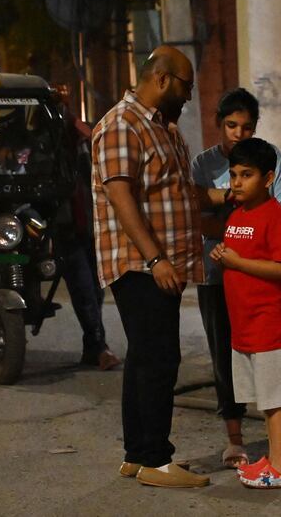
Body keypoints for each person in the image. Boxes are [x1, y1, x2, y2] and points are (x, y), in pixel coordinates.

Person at [92, 45, 228, 488]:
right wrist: (156, 259)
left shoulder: (164, 130)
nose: (190, 95)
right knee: (159, 357)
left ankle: (137, 455)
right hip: (141, 264)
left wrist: (230, 198)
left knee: (146, 357)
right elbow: (121, 197)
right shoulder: (121, 125)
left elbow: (180, 193)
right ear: (164, 79)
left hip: (164, 263)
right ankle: (155, 458)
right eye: (187, 85)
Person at [191, 88, 281, 468]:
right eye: (231, 125)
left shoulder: (271, 173)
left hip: (265, 303)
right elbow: (195, 217)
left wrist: (236, 252)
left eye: (246, 126)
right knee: (230, 362)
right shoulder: (204, 165)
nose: (238, 133)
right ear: (218, 124)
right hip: (225, 289)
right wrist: (222, 209)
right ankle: (246, 442)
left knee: (276, 385)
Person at [209, 138, 281, 489]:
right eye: (233, 174)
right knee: (266, 399)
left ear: (267, 178)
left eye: (246, 175)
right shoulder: (237, 215)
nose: (236, 182)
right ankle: (275, 457)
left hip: (271, 324)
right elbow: (241, 256)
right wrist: (225, 254)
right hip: (245, 325)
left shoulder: (277, 217)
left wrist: (236, 262)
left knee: (278, 398)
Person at [53, 87, 120, 370]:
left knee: (95, 289)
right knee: (84, 289)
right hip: (67, 228)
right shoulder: (49, 147)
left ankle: (91, 347)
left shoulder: (81, 145)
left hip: (90, 227)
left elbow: (93, 138)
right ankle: (99, 347)